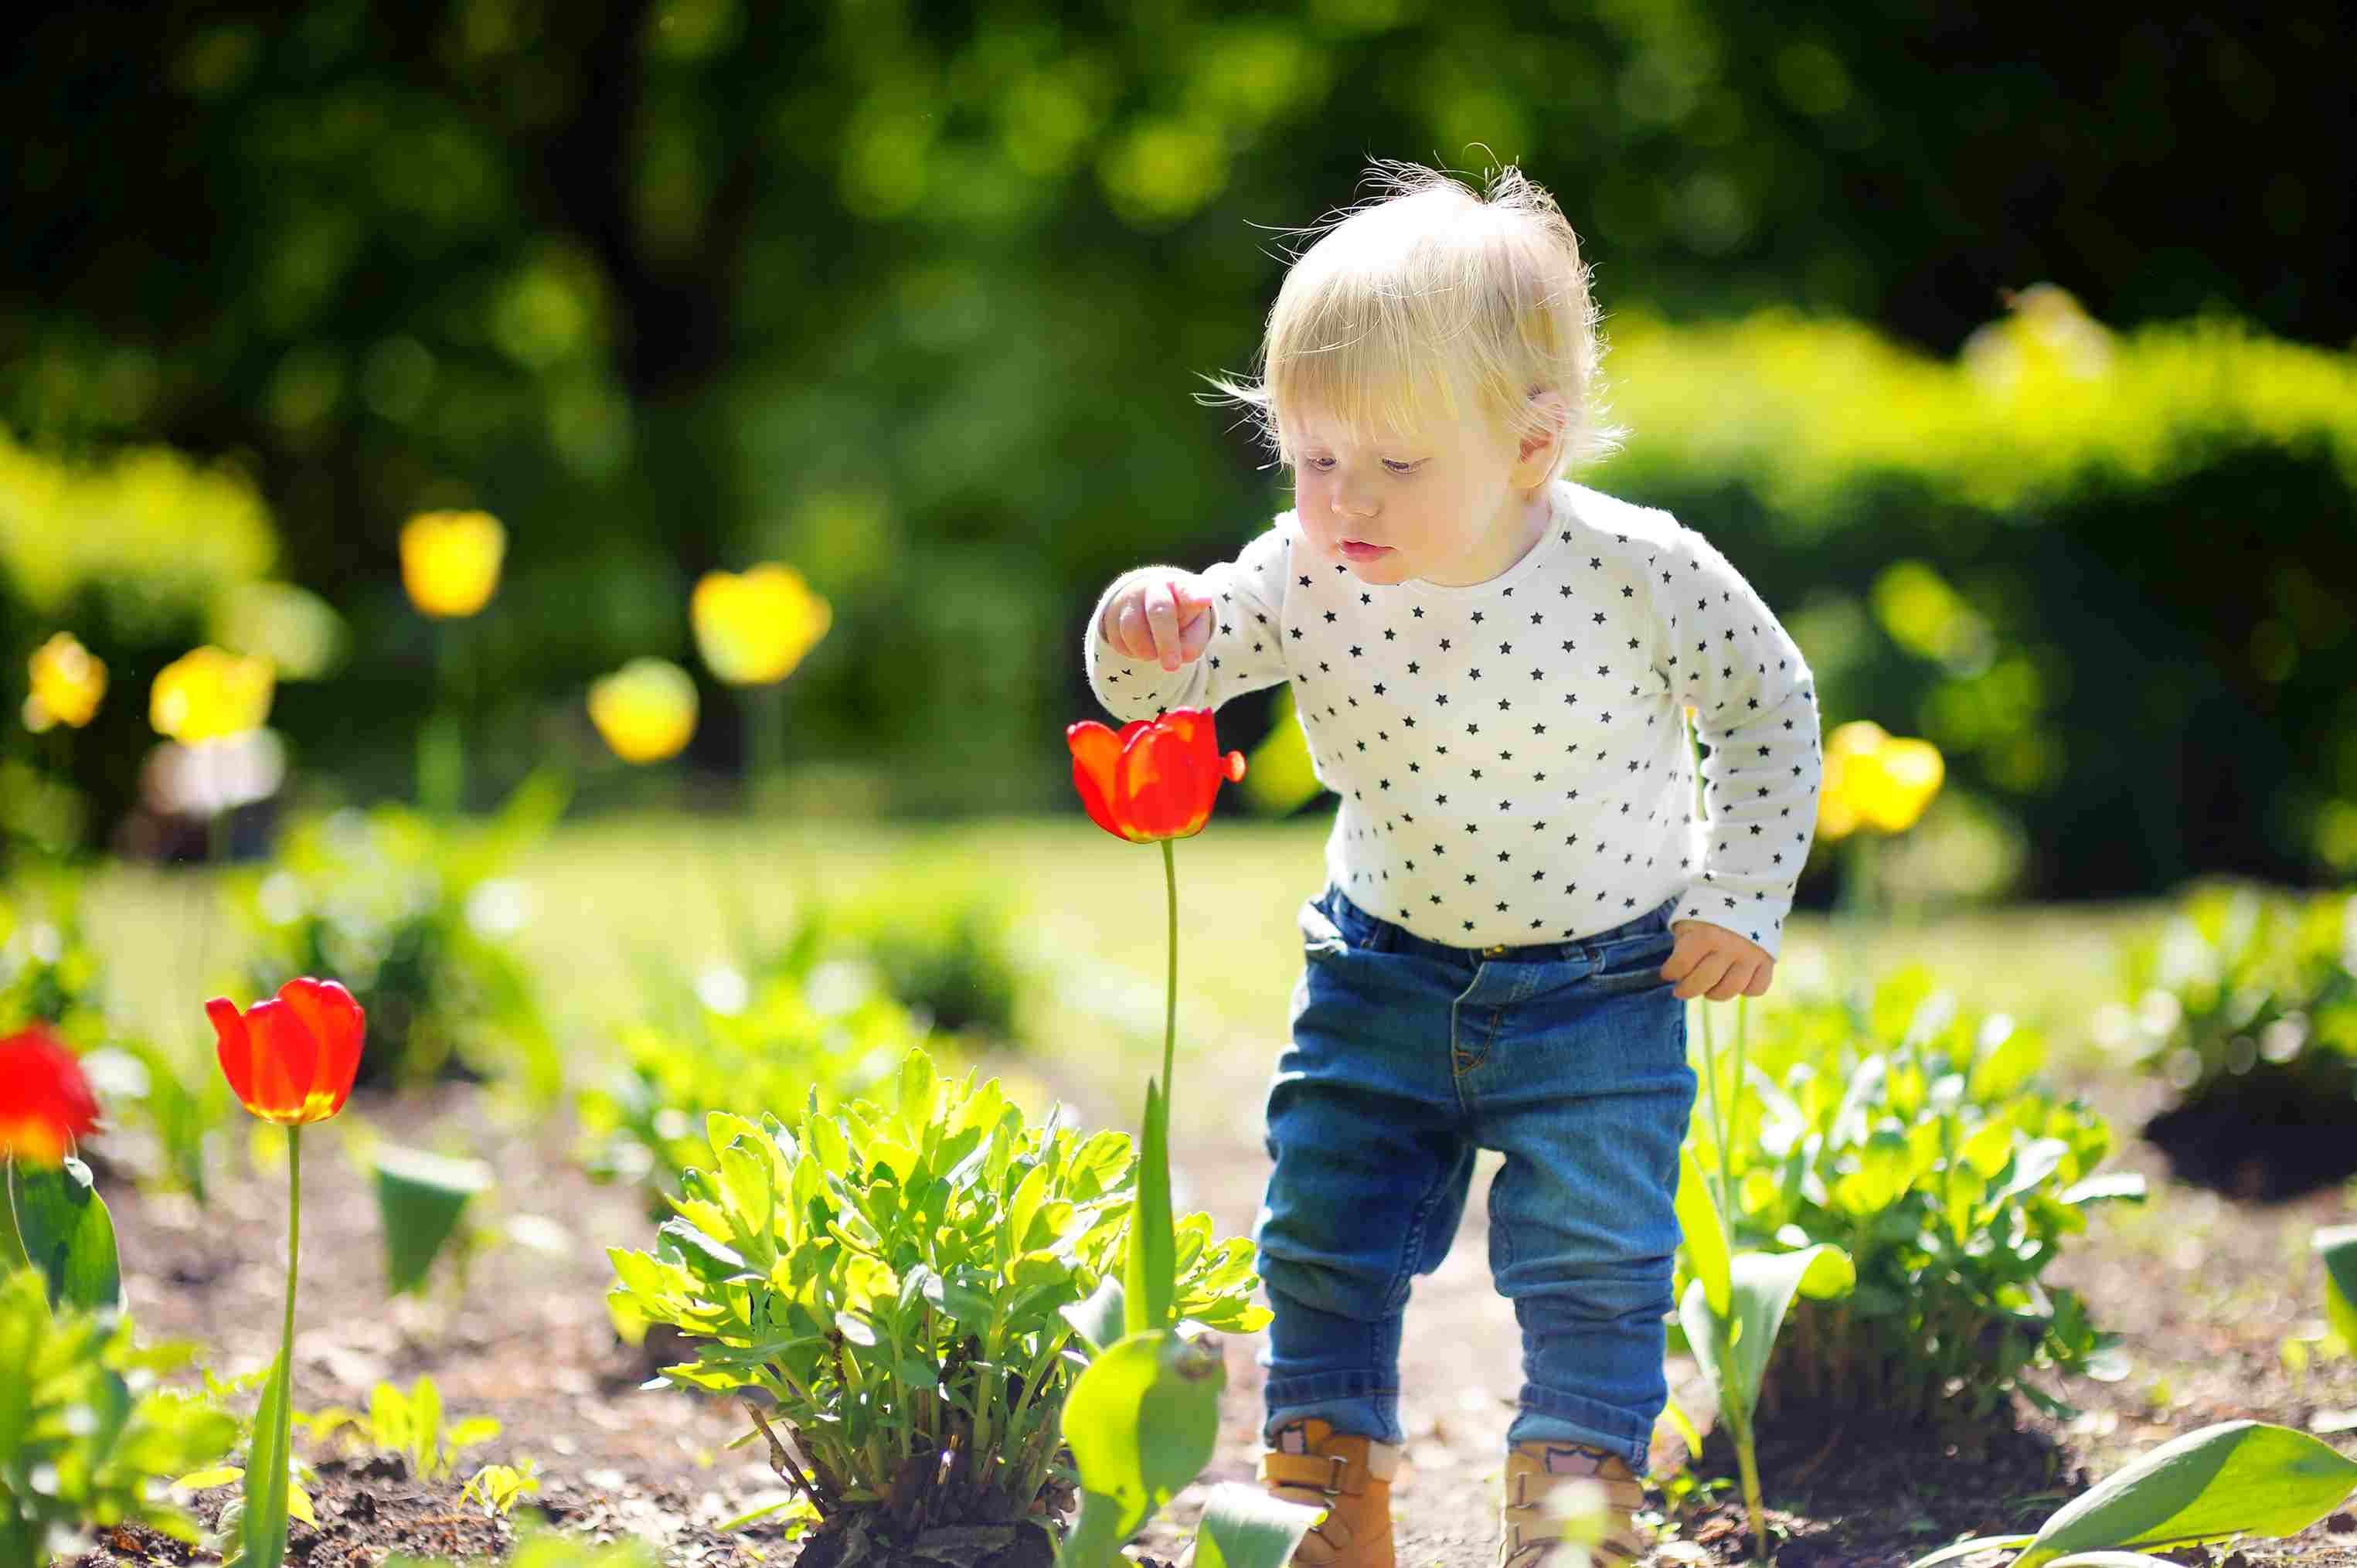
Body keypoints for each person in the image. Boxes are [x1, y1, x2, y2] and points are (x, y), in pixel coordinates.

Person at [1078, 159, 1824, 1568]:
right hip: (1379, 971)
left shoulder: (1638, 569)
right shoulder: (1303, 567)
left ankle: (1574, 1505)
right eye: (1313, 459)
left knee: (1597, 1262)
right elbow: (1153, 693)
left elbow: (1766, 704)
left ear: (1530, 446)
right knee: (1320, 1228)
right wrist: (1143, 627)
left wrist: (1736, 892)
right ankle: (1321, 1486)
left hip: (1603, 985)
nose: (1343, 498)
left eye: (1394, 464)